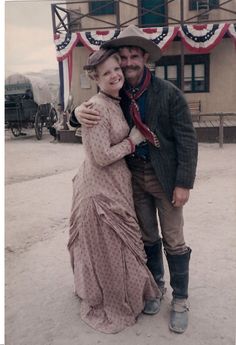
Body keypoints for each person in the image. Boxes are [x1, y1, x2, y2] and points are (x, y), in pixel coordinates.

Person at [70, 25, 198, 334]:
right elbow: (94, 109)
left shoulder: (169, 93)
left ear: (144, 58)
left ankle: (180, 299)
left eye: (132, 56)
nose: (126, 63)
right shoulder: (119, 92)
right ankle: (156, 287)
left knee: (174, 239)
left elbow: (187, 141)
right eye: (122, 58)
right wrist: (75, 112)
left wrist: (184, 183)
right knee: (147, 238)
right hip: (132, 180)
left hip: (165, 179)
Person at [68, 48, 162, 334]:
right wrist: (132, 142)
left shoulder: (116, 100)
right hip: (99, 188)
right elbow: (100, 156)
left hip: (117, 183)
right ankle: (113, 299)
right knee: (109, 249)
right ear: (96, 78)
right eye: (106, 72)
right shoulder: (95, 108)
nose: (115, 75)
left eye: (116, 69)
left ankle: (132, 295)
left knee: (123, 245)